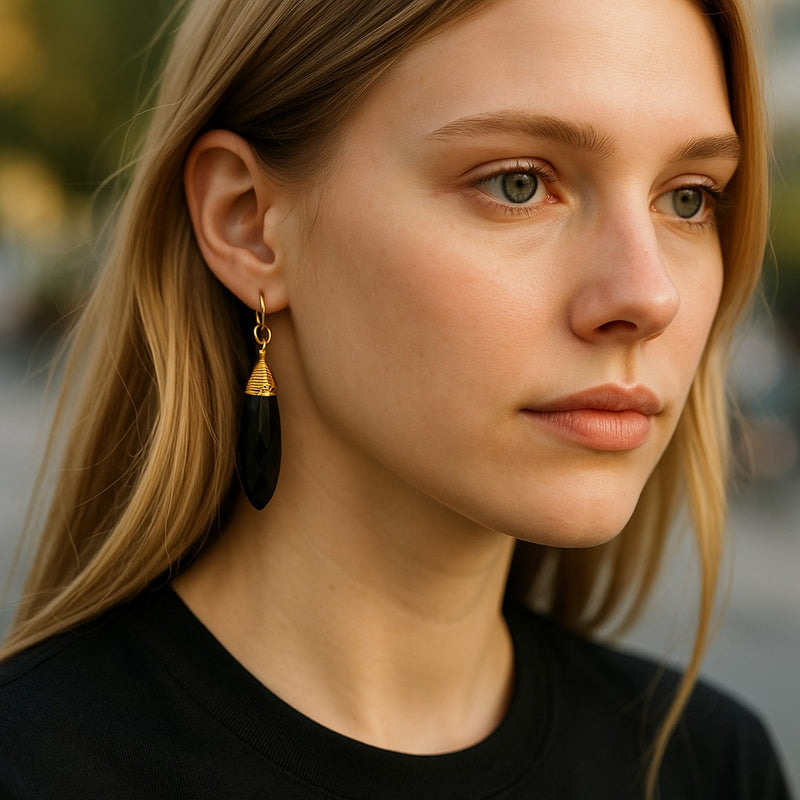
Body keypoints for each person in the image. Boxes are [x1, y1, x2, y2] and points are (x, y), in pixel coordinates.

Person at [0, 0, 792, 797]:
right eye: (519, 183)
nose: (649, 295)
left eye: (688, 198)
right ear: (248, 225)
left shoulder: (710, 769)